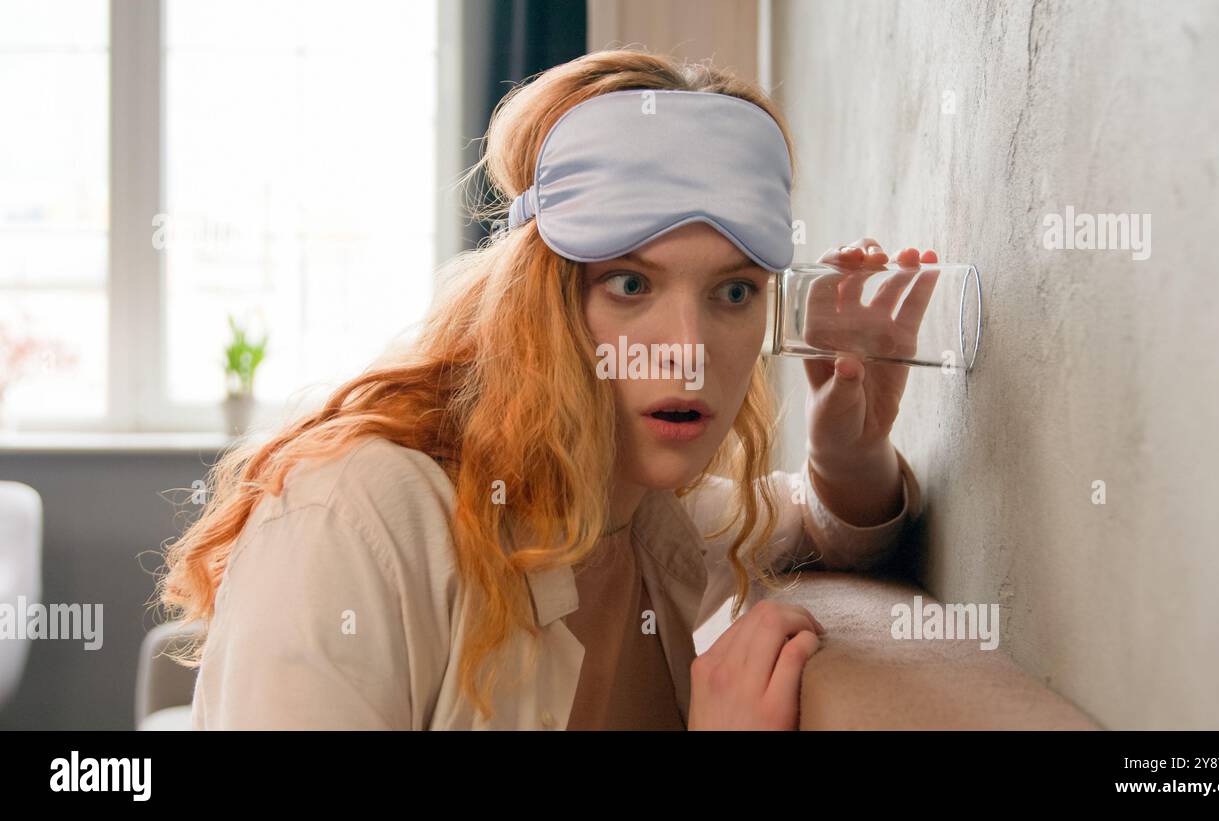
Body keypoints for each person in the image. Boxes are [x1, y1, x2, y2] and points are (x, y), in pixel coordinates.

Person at [156, 48, 935, 731]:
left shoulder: (648, 515)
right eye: (630, 283)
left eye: (733, 293)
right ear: (543, 301)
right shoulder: (353, 526)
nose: (688, 355)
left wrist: (850, 451)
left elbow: (812, 525)